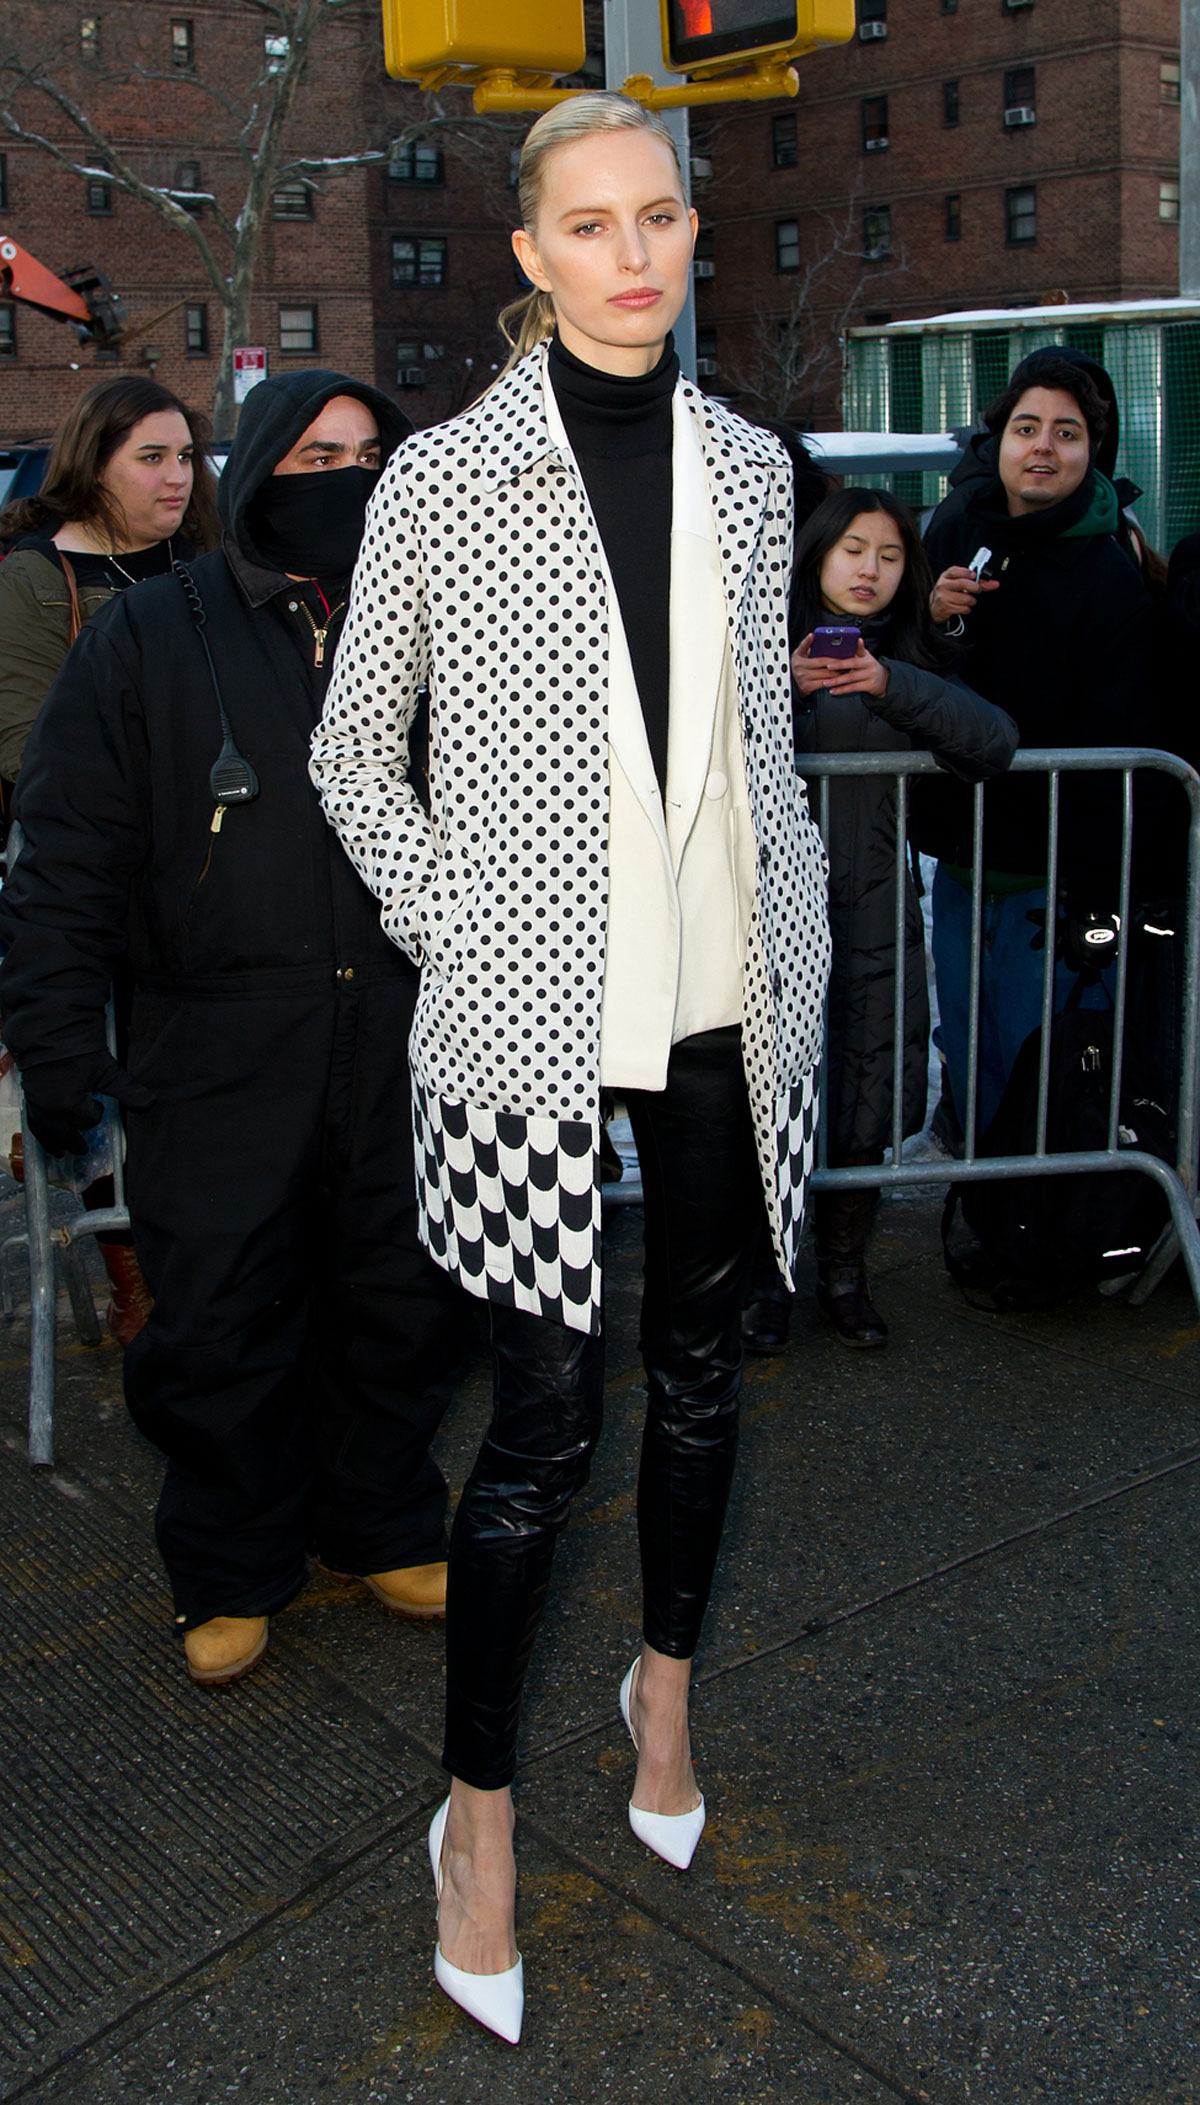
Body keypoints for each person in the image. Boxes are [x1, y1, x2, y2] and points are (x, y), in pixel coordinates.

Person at [309, 93, 831, 2045]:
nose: (630, 252)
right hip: (528, 1008)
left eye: (660, 217)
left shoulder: (757, 470)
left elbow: (746, 747)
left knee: (696, 1379)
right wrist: (471, 925)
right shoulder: (441, 481)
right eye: (587, 224)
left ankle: (666, 1689)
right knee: (539, 1427)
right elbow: (358, 753)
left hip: (722, 983)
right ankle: (477, 1816)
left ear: (695, 237)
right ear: (527, 256)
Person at [0, 370, 467, 1687]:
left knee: (399, 1294)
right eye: (319, 454)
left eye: (373, 454)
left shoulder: (435, 628)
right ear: (255, 468)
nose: (352, 478)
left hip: (404, 1036)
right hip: (215, 1048)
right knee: (219, 1315)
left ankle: (377, 1517)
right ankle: (229, 1561)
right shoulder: (149, 637)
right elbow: (69, 856)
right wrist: (57, 1048)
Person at [0, 376, 219, 1344]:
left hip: (211, 869)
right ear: (95, 462)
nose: (177, 478)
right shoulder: (36, 578)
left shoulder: (214, 567)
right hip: (84, 868)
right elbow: (26, 744)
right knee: (81, 1055)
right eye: (152, 457)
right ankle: (134, 1272)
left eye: (185, 457)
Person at [787, 490, 1016, 1345]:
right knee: (768, 1095)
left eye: (888, 555)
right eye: (852, 549)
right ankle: (764, 1281)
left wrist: (893, 682)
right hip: (772, 910)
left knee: (866, 1094)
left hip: (881, 910)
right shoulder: (761, 644)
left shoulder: (911, 660)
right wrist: (783, 681)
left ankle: (844, 1276)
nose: (869, 569)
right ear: (816, 555)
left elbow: (993, 741)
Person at [917, 353, 1154, 1136]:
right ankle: (982, 1215)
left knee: (1037, 1059)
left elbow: (1115, 734)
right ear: (1000, 439)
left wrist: (1094, 889)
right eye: (1026, 428)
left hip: (1050, 875)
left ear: (1094, 450)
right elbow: (911, 669)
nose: (1043, 448)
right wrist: (935, 617)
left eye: (1066, 432)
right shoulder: (955, 528)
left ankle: (1037, 1228)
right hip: (961, 856)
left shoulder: (1108, 564)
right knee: (967, 1049)